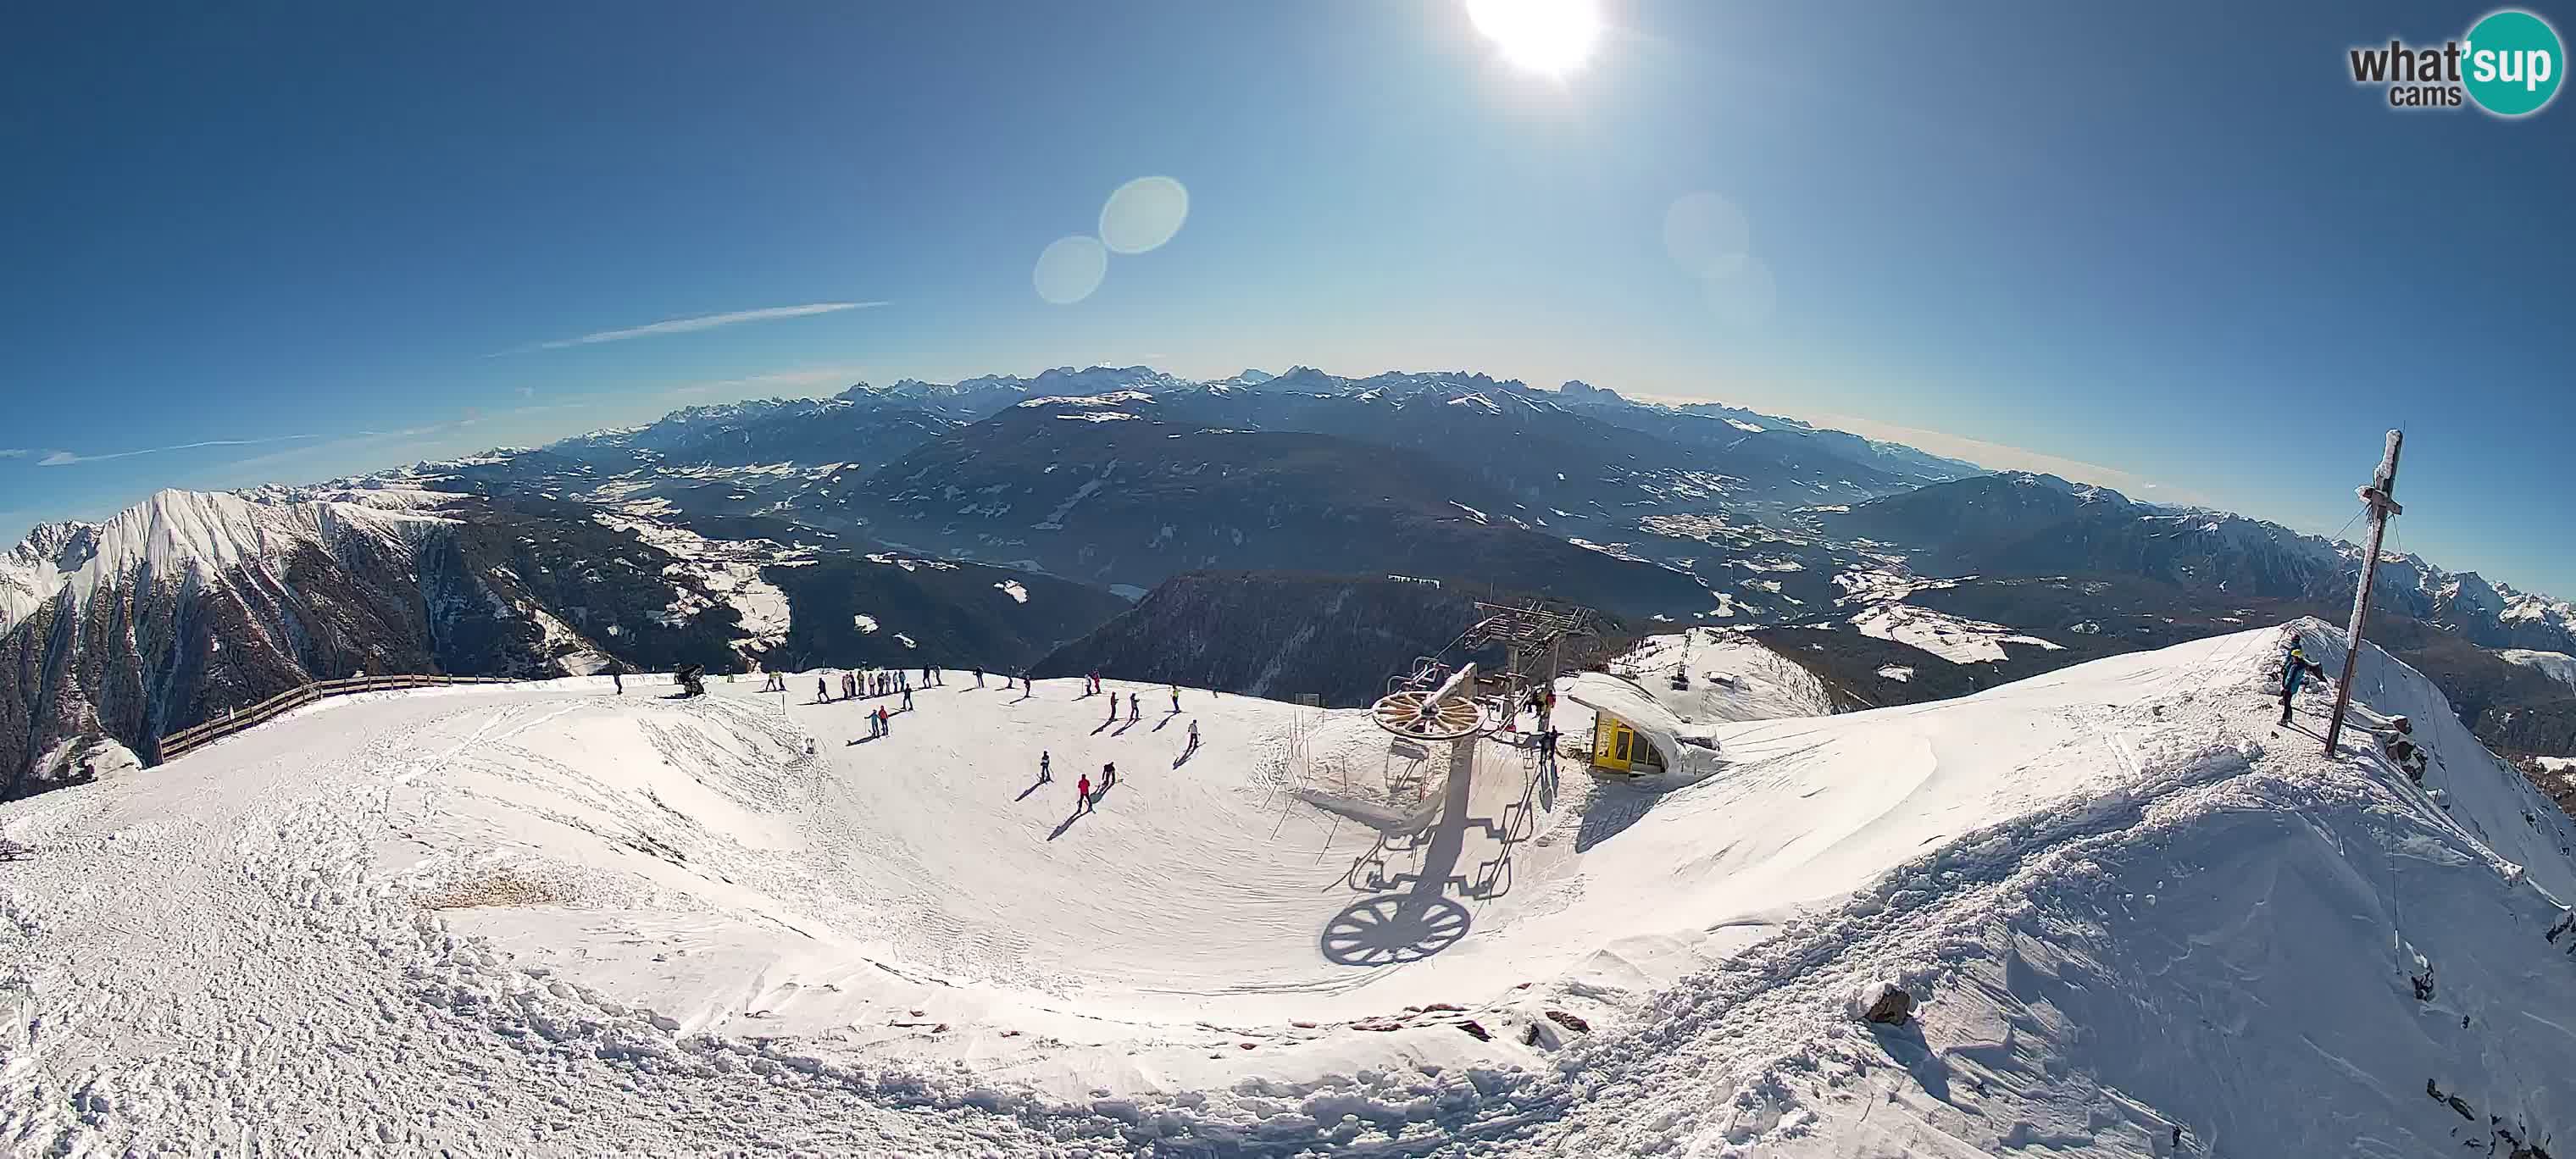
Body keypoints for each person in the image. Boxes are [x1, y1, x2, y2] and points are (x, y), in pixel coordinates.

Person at [2279, 639, 2324, 726]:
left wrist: (2285, 687)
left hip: (2290, 687)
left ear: (2296, 657)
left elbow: (2290, 678)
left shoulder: (2294, 667)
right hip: (2294, 687)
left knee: (2287, 704)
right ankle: (2289, 717)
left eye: (2293, 657)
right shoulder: (2302, 666)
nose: (2292, 658)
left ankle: (2284, 720)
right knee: (2288, 702)